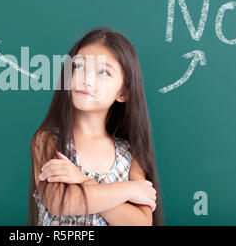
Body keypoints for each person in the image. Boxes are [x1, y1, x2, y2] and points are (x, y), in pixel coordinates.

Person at [27, 27, 164, 226]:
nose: (87, 79)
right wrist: (130, 190)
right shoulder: (48, 141)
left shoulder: (129, 153)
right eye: (79, 67)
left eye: (103, 72)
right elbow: (62, 203)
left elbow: (140, 223)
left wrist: (81, 180)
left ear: (123, 93)